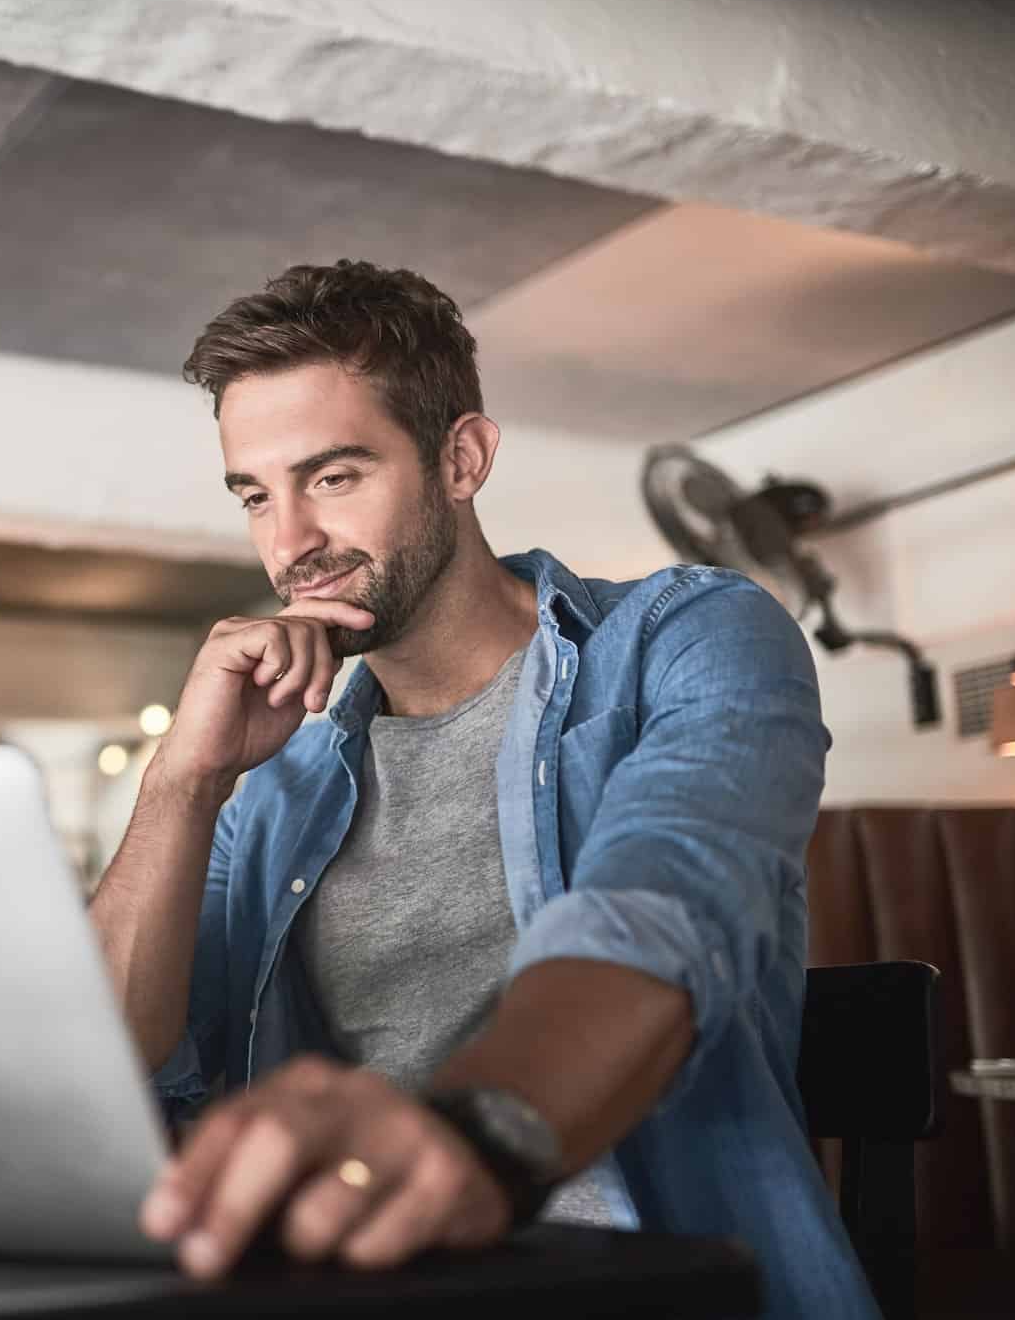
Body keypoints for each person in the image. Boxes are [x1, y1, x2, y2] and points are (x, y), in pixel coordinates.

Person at [86, 261, 877, 1319]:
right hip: (350, 1288)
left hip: (651, 1284)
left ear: (460, 458)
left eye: (332, 477)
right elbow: (108, 1060)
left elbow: (662, 907)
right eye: (253, 496)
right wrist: (184, 782)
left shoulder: (684, 638)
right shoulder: (267, 780)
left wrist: (469, 1140)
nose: (289, 546)